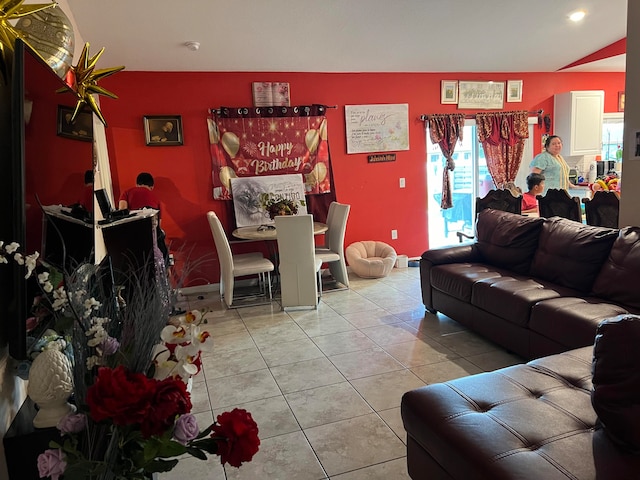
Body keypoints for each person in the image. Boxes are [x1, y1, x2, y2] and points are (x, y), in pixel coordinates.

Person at [119, 172, 169, 264]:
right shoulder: (157, 200)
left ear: (137, 185)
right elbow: (159, 226)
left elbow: (122, 213)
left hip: (133, 238)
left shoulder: (127, 192)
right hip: (151, 241)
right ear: (152, 187)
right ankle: (167, 269)